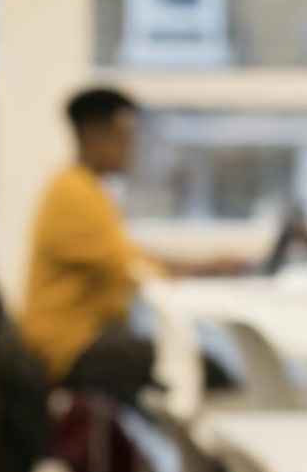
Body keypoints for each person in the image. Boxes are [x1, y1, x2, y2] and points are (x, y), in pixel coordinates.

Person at [18, 88, 244, 402]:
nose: (131, 147)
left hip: (88, 338)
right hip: (68, 348)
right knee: (203, 370)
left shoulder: (87, 189)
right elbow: (133, 268)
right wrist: (206, 268)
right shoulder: (73, 194)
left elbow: (131, 257)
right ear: (92, 134)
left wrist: (206, 266)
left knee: (183, 364)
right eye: (122, 137)